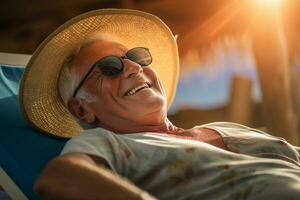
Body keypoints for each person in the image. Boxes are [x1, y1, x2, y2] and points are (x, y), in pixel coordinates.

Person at [19, 9, 300, 200]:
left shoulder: (224, 127)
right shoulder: (109, 143)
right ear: (82, 109)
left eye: (137, 57)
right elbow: (59, 178)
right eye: (109, 66)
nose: (133, 68)